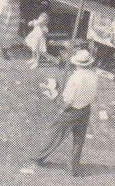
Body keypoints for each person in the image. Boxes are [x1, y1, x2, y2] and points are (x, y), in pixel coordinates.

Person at [32, 49, 98, 177]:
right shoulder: (93, 75)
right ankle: (74, 167)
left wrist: (62, 108)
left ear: (77, 64)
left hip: (71, 110)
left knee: (55, 133)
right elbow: (93, 94)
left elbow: (68, 99)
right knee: (79, 139)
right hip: (85, 110)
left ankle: (39, 157)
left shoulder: (75, 78)